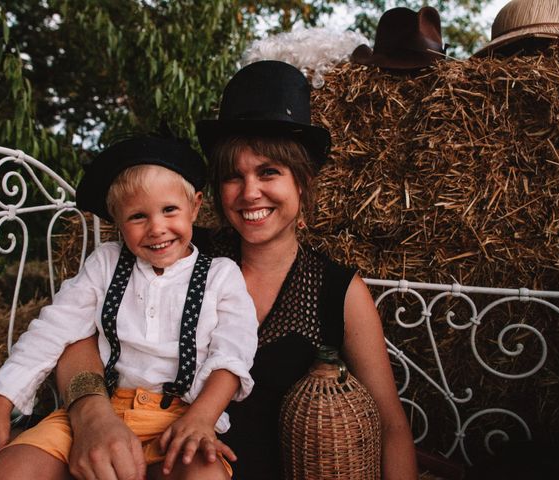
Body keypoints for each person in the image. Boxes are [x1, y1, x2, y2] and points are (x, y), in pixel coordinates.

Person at [50, 60, 419, 480]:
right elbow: (79, 334)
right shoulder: (177, 250)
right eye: (232, 176)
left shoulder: (337, 290)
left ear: (302, 181)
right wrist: (91, 413)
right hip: (150, 462)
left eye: (269, 173)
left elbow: (390, 426)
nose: (249, 193)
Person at [0, 135, 258, 480]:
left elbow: (232, 353)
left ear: (195, 206)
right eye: (138, 216)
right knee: (9, 471)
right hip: (99, 407)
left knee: (205, 474)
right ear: (117, 222)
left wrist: (202, 417)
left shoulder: (220, 274)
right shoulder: (106, 264)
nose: (156, 228)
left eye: (169, 210)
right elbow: (52, 331)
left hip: (178, 415)